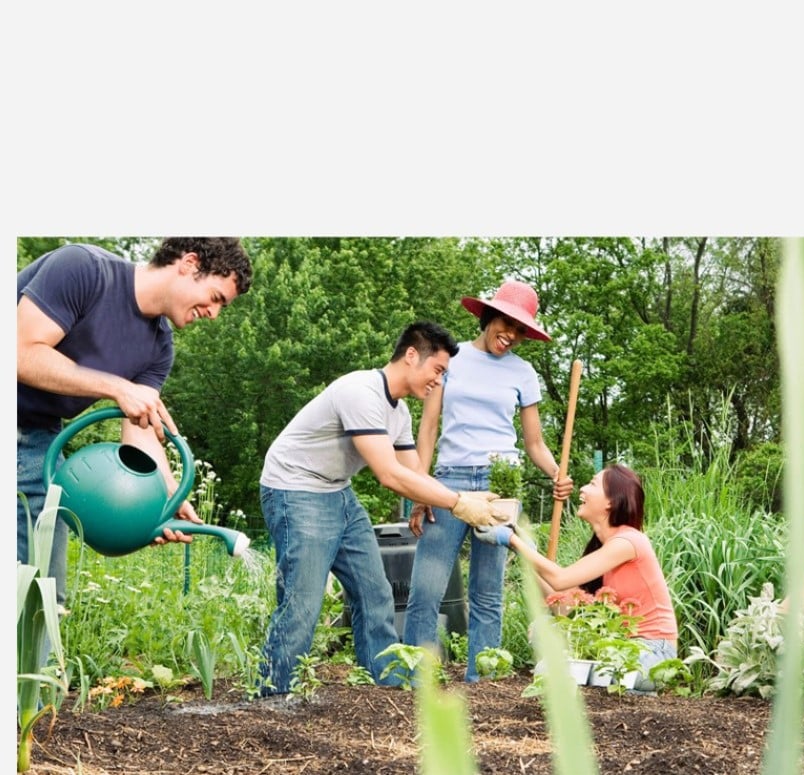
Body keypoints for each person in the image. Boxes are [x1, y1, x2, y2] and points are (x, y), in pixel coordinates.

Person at [257, 321, 507, 695]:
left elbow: (412, 472)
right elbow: (390, 475)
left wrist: (438, 499)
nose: (439, 382)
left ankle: (386, 687)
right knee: (303, 602)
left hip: (337, 491)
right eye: (437, 370)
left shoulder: (400, 414)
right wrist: (459, 503)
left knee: (375, 593)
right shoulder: (361, 392)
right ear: (411, 356)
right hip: (295, 490)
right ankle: (272, 696)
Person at [17, 238, 254, 606]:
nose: (214, 313)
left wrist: (167, 497)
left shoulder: (159, 347)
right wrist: (117, 387)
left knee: (41, 599)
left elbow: (140, 430)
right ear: (190, 263)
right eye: (216, 297)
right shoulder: (83, 269)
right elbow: (19, 352)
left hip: (36, 441)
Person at [402, 280, 574, 683]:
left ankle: (483, 681)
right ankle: (415, 677)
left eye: (519, 331)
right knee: (426, 588)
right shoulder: (453, 360)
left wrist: (557, 474)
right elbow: (427, 430)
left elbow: (534, 443)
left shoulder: (524, 373)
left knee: (488, 593)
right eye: (505, 324)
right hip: (450, 483)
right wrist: (419, 490)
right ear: (488, 317)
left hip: (501, 484)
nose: (510, 336)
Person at [475, 464, 678, 690]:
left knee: (556, 672)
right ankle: (628, 690)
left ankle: (634, 690)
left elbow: (560, 579)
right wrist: (525, 554)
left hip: (652, 655)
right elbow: (566, 606)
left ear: (611, 501)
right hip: (619, 650)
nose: (582, 489)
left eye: (591, 484)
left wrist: (513, 540)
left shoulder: (629, 542)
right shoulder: (604, 548)